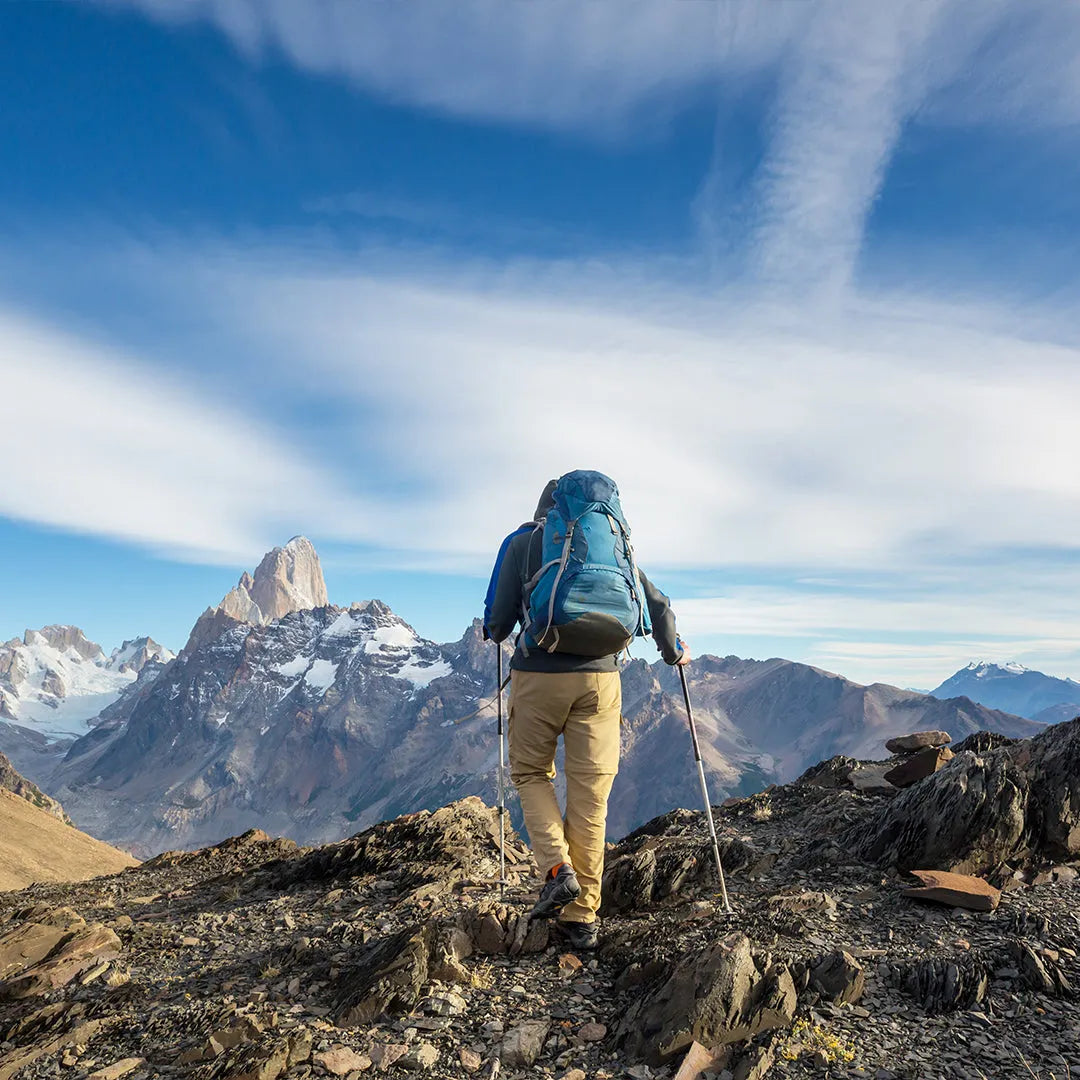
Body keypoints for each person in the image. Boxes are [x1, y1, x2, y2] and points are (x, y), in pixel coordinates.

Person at [484, 471, 690, 951]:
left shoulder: (524, 543)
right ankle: (582, 919)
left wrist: (502, 627)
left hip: (539, 676)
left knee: (532, 773)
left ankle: (557, 869)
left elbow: (497, 622)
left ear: (548, 511)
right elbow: (656, 607)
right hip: (601, 680)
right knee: (591, 796)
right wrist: (673, 650)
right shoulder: (613, 545)